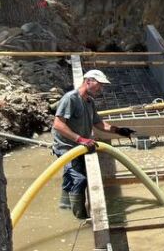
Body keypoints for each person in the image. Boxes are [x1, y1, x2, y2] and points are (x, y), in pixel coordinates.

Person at [51, 69, 135, 219]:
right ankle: (80, 217)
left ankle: (64, 206)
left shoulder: (89, 102)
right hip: (66, 147)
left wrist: (119, 130)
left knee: (72, 176)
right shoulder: (71, 98)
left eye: (102, 85)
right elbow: (58, 124)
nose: (101, 88)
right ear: (88, 81)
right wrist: (80, 139)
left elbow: (98, 123)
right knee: (79, 179)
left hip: (79, 146)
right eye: (99, 84)